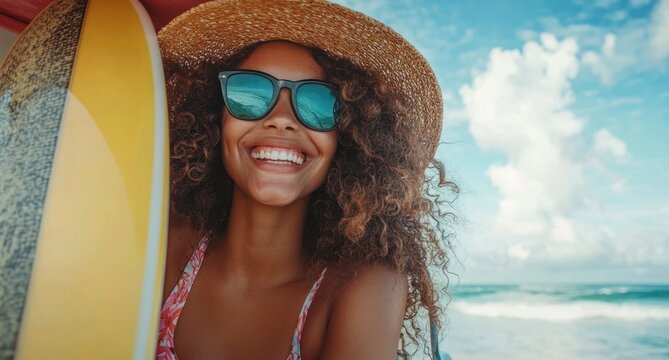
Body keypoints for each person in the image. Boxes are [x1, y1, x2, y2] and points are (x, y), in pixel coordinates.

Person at [156, 1, 457, 359]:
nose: (281, 119)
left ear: (348, 138)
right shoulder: (167, 244)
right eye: (250, 93)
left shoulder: (362, 286)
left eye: (316, 101)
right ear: (214, 117)